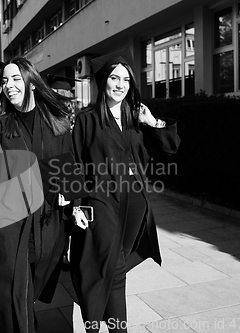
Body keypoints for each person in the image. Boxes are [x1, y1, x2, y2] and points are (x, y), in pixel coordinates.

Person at [70, 50, 180, 333]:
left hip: (134, 201)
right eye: (114, 78)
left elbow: (170, 149)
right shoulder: (87, 119)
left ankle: (97, 321)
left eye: (126, 80)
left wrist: (153, 123)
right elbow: (75, 163)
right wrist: (76, 205)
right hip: (102, 200)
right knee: (114, 269)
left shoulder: (135, 118)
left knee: (112, 266)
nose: (120, 85)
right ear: (102, 81)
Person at [0, 56, 82, 333]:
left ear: (32, 81)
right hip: (12, 227)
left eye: (15, 78)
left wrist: (72, 202)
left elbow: (68, 170)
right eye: (5, 81)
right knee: (16, 294)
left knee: (31, 287)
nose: (9, 85)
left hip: (48, 225)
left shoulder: (56, 123)